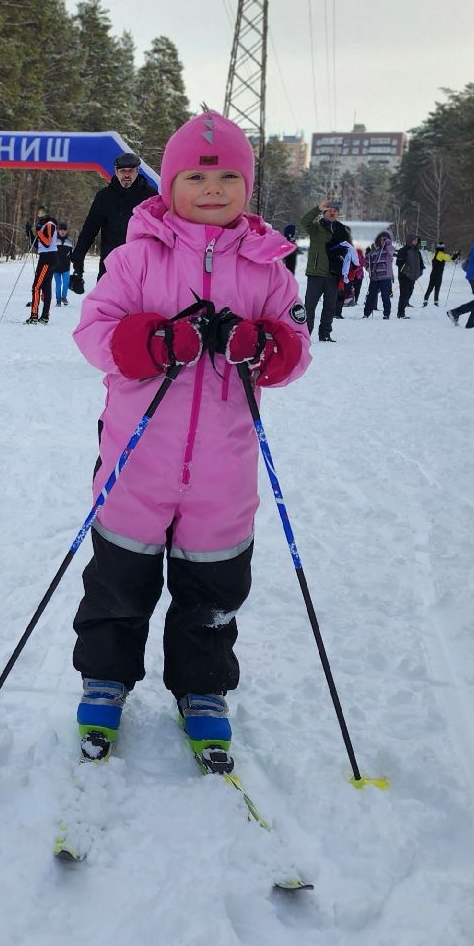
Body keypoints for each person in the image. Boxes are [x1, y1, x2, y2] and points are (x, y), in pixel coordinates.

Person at [70, 109, 311, 773]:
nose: (213, 188)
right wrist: (148, 342)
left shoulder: (269, 268)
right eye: (198, 176)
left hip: (222, 472)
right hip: (137, 461)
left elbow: (296, 350)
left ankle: (202, 689)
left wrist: (266, 346)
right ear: (170, 183)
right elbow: (94, 331)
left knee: (213, 591)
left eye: (229, 176)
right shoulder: (137, 256)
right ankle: (106, 678)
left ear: (248, 186)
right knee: (118, 582)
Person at [74, 152, 159, 285]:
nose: (126, 175)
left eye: (130, 171)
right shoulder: (104, 197)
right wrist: (78, 256)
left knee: (140, 305)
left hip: (141, 266)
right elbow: (90, 228)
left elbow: (160, 231)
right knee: (105, 304)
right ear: (116, 171)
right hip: (110, 265)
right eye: (123, 171)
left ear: (137, 171)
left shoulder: (150, 197)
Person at [298, 198, 351, 342]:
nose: (332, 213)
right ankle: (306, 334)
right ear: (324, 212)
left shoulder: (342, 230)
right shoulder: (316, 227)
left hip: (333, 275)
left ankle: (325, 334)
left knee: (330, 307)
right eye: (329, 211)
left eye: (335, 211)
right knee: (309, 306)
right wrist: (317, 208)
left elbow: (349, 250)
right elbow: (303, 222)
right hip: (316, 272)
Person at [362, 231, 397, 319]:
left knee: (385, 296)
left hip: (385, 277)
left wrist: (387, 242)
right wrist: (367, 268)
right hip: (374, 278)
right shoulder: (374, 251)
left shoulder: (388, 250)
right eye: (380, 240)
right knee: (371, 296)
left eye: (383, 240)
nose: (382, 241)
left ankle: (386, 314)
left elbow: (392, 250)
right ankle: (366, 314)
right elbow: (366, 262)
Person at [396, 234, 425, 317]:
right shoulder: (403, 250)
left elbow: (421, 263)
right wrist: (407, 272)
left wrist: (420, 272)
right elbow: (399, 263)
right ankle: (400, 313)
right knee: (404, 294)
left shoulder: (417, 251)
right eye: (414, 240)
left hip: (412, 277)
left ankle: (403, 308)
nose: (415, 241)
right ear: (410, 240)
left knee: (409, 293)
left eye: (417, 240)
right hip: (404, 277)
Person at [52, 221, 75, 307]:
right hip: (55, 267)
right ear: (58, 230)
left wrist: (75, 262)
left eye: (64, 230)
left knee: (66, 283)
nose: (62, 231)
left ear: (66, 231)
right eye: (61, 229)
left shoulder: (70, 241)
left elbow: (72, 254)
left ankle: (63, 297)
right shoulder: (53, 240)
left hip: (66, 267)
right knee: (58, 284)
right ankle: (58, 300)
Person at [426, 240, 453, 306]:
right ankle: (436, 302)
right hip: (438, 274)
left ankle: (425, 301)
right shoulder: (441, 255)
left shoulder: (433, 254)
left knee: (430, 288)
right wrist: (456, 255)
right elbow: (450, 260)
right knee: (437, 288)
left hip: (432, 273)